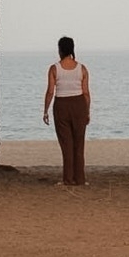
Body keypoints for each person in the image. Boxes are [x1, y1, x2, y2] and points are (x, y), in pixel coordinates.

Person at [43, 36, 90, 186]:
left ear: (60, 50)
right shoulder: (82, 68)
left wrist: (45, 111)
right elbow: (86, 93)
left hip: (61, 106)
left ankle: (68, 179)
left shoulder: (54, 68)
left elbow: (50, 92)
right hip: (79, 105)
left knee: (66, 144)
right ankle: (80, 179)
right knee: (79, 143)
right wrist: (87, 111)